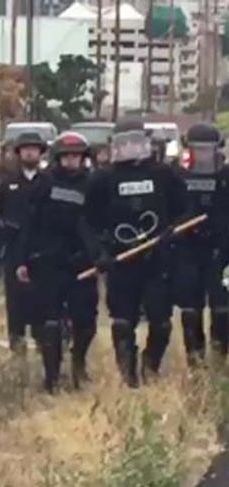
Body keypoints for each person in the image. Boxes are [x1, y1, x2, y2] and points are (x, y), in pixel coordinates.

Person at [85, 117, 189, 387]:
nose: (131, 148)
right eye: (124, 143)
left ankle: (150, 365)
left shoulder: (163, 174)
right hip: (121, 261)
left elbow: (184, 209)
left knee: (161, 322)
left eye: (136, 142)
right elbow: (88, 222)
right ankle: (128, 375)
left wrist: (172, 231)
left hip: (156, 259)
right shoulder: (103, 178)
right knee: (122, 322)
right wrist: (100, 252)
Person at [14, 132, 100, 392]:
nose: (72, 161)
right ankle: (51, 375)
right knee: (49, 320)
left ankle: (78, 363)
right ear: (58, 158)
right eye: (67, 156)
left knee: (86, 319)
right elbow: (28, 223)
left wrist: (98, 255)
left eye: (76, 156)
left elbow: (98, 223)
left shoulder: (93, 184)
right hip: (48, 260)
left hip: (82, 261)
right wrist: (23, 259)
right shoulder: (45, 183)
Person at [173, 123, 229, 364]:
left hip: (221, 249)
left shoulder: (226, 175)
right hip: (187, 248)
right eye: (198, 149)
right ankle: (195, 359)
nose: (204, 154)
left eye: (208, 149)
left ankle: (220, 357)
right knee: (191, 308)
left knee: (222, 307)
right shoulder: (177, 175)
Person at [0, 132, 48, 358]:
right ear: (18, 153)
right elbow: (0, 206)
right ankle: (17, 346)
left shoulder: (48, 181)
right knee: (15, 300)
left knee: (41, 299)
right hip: (15, 249)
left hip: (42, 249)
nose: (29, 152)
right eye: (25, 148)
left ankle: (44, 342)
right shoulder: (8, 183)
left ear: (40, 152)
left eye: (34, 148)